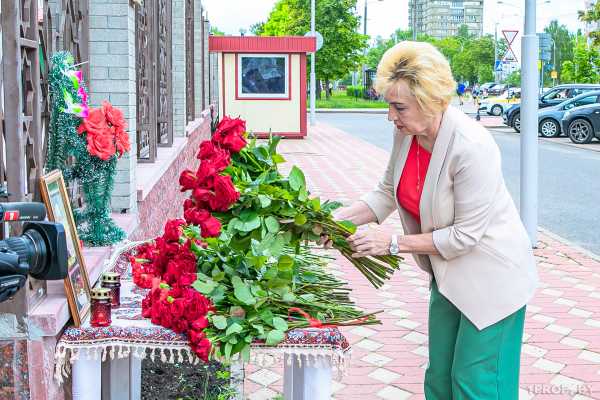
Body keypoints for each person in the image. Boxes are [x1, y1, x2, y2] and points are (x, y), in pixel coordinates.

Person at [327, 41, 538, 399]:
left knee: (476, 385)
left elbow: (464, 236)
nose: (390, 116)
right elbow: (386, 193)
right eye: (389, 105)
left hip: (492, 278)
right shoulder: (407, 135)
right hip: (448, 275)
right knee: (439, 381)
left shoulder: (471, 146)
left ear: (430, 101)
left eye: (399, 107)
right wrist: (332, 220)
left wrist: (391, 243)